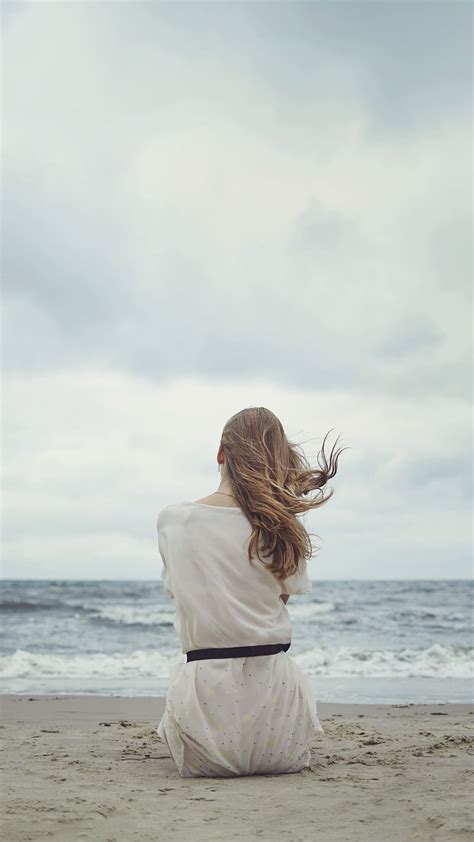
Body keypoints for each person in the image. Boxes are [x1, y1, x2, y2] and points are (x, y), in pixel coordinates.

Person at [156, 406, 347, 777]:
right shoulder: (281, 526)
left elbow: (180, 592)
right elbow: (280, 598)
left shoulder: (173, 519)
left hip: (206, 710)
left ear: (220, 453)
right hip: (280, 722)